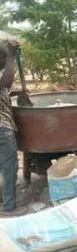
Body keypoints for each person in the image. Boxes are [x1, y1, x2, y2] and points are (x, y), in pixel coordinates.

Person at [0, 40, 19, 214]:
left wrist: (16, 92)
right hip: (2, 128)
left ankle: (3, 200)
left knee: (2, 167)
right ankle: (8, 207)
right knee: (9, 166)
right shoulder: (2, 75)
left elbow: (5, 88)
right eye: (4, 59)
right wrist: (12, 56)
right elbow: (6, 82)